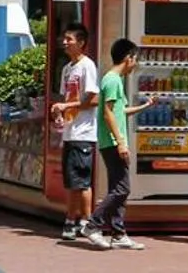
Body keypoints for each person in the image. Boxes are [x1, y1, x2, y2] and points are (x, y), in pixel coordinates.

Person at [83, 39, 144, 251]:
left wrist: (144, 106)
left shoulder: (114, 80)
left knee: (117, 188)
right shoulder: (112, 80)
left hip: (113, 141)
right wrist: (120, 142)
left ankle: (118, 233)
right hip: (112, 142)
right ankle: (92, 225)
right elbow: (108, 113)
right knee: (122, 188)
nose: (135, 64)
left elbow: (119, 111)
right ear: (128, 58)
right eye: (135, 59)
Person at [49, 23, 99, 242]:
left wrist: (66, 107)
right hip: (70, 132)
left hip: (84, 133)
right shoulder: (68, 68)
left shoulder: (87, 66)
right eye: (65, 39)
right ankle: (74, 220)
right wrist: (58, 112)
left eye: (69, 39)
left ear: (81, 42)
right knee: (72, 182)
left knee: (82, 182)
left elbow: (92, 99)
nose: (65, 42)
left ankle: (86, 222)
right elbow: (65, 98)